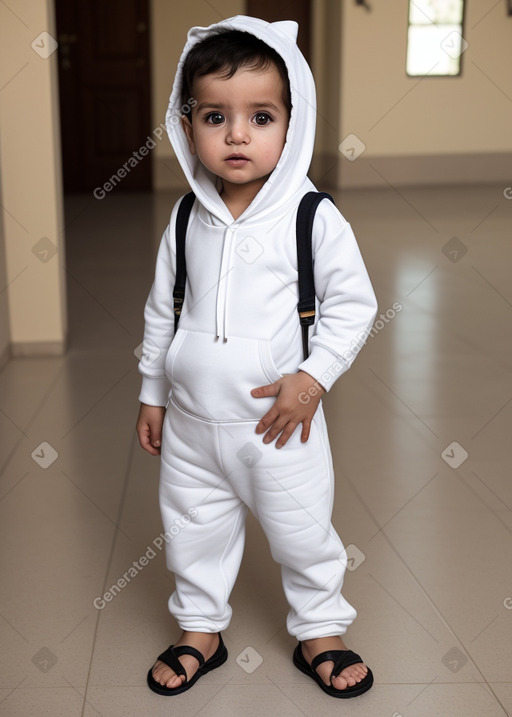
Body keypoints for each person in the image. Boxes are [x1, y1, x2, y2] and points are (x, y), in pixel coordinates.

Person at [136, 14, 378, 699]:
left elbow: (354, 306)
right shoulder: (186, 219)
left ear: (291, 123)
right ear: (187, 126)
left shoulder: (312, 216)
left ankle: (321, 630)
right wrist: (153, 392)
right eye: (215, 115)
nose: (237, 134)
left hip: (280, 423)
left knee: (302, 532)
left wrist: (314, 377)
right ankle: (201, 629)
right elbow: (162, 311)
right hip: (189, 424)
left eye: (261, 115)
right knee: (191, 530)